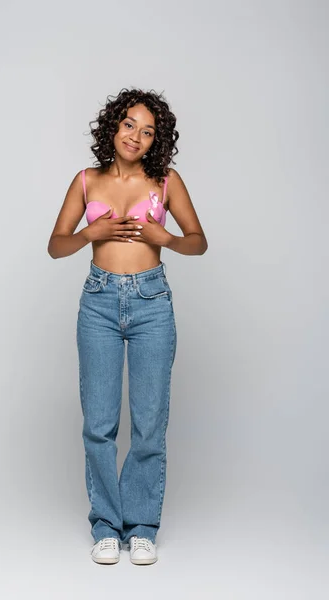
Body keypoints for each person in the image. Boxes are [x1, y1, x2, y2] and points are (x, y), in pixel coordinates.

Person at [48, 88, 208, 565]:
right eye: (129, 124)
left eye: (148, 131)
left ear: (157, 141)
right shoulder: (84, 181)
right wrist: (87, 235)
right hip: (98, 301)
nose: (136, 136)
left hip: (151, 301)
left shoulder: (166, 181)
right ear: (112, 126)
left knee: (148, 423)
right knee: (98, 423)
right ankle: (105, 524)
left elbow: (199, 242)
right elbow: (56, 246)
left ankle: (140, 526)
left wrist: (169, 239)